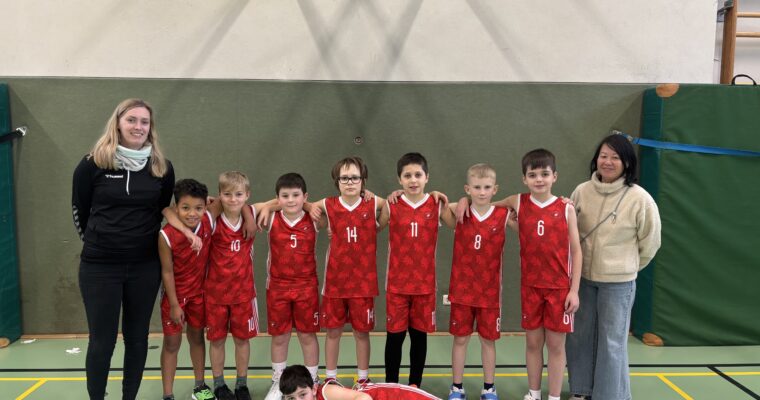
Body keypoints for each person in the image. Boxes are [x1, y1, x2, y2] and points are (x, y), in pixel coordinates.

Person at [72, 98, 175, 400]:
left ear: (150, 128)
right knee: (101, 342)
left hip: (144, 267)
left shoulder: (162, 168)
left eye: (144, 121)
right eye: (131, 120)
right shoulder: (92, 164)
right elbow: (80, 209)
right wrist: (102, 243)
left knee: (137, 338)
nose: (138, 126)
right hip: (99, 267)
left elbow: (161, 209)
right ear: (117, 123)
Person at [480, 150, 582, 400]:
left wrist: (574, 290)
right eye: (533, 175)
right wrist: (463, 203)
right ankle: (534, 393)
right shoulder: (518, 201)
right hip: (531, 287)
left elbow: (577, 251)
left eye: (545, 174)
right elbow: (484, 205)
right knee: (533, 344)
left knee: (556, 346)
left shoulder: (565, 208)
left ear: (555, 176)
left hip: (559, 288)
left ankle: (554, 396)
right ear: (524, 179)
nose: (539, 179)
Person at [565, 134, 661, 400]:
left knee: (612, 342)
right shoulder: (581, 191)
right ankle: (580, 390)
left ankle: (609, 395)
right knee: (579, 336)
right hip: (583, 280)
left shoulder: (640, 199)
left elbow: (650, 243)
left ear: (627, 162)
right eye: (603, 156)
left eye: (615, 157)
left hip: (618, 284)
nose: (607, 162)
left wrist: (625, 267)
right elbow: (569, 234)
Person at [306, 157, 386, 387]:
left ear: (363, 180)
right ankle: (331, 377)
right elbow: (305, 204)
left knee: (362, 333)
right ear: (337, 181)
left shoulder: (373, 203)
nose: (350, 182)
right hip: (335, 282)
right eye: (344, 178)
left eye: (355, 178)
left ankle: (363, 378)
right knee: (333, 332)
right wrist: (310, 207)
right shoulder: (328, 204)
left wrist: (378, 220)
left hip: (363, 283)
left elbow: (394, 204)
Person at [440, 164, 510, 400]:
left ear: (495, 189)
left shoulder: (503, 215)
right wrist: (462, 201)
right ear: (467, 188)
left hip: (489, 293)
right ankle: (456, 387)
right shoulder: (461, 213)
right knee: (460, 340)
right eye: (476, 187)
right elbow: (439, 204)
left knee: (488, 341)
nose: (482, 192)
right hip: (462, 291)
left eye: (487, 187)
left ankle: (489, 387)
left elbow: (528, 216)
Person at [377, 152, 446, 389]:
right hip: (397, 285)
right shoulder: (392, 204)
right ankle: (391, 386)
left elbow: (458, 219)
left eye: (418, 175)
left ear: (427, 177)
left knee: (419, 337)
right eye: (407, 176)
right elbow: (374, 227)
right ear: (400, 179)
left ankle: (415, 385)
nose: (413, 180)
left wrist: (464, 202)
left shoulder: (436, 204)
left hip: (424, 285)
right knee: (394, 338)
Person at [204, 171, 269, 400]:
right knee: (217, 341)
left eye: (239, 194)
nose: (233, 199)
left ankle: (242, 384)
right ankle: (219, 384)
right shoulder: (212, 219)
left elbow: (277, 202)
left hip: (243, 294)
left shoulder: (251, 212)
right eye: (227, 194)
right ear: (219, 195)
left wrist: (249, 214)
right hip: (216, 294)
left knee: (242, 340)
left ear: (247, 195)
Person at [262, 173, 324, 399]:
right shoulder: (270, 217)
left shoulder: (314, 218)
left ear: (305, 196)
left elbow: (327, 211)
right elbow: (251, 207)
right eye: (285, 196)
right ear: (277, 198)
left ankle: (312, 380)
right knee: (280, 337)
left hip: (306, 286)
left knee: (307, 335)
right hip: (277, 287)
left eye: (296, 195)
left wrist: (309, 206)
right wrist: (270, 205)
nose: (290, 200)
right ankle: (278, 382)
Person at [158, 179, 215, 400]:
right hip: (175, 297)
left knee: (197, 339)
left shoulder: (208, 220)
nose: (192, 213)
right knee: (172, 344)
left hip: (199, 295)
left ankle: (200, 387)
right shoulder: (166, 235)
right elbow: (167, 272)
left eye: (198, 208)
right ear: (176, 208)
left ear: (205, 206)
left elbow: (233, 199)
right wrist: (174, 304)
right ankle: (168, 394)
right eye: (185, 208)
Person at [279, 365, 442, 400]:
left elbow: (364, 398)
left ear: (314, 389)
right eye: (291, 399)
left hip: (389, 395)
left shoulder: (326, 392)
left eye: (302, 395)